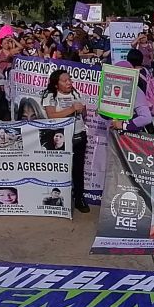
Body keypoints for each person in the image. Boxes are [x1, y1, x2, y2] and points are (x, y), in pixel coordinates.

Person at [41, 69, 90, 213]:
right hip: (60, 138)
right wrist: (71, 109)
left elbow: (83, 114)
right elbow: (52, 115)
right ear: (56, 84)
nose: (69, 83)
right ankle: (60, 198)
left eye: (69, 79)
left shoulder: (76, 93)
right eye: (65, 80)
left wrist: (83, 110)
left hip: (79, 135)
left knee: (78, 169)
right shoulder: (50, 95)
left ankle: (79, 198)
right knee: (62, 170)